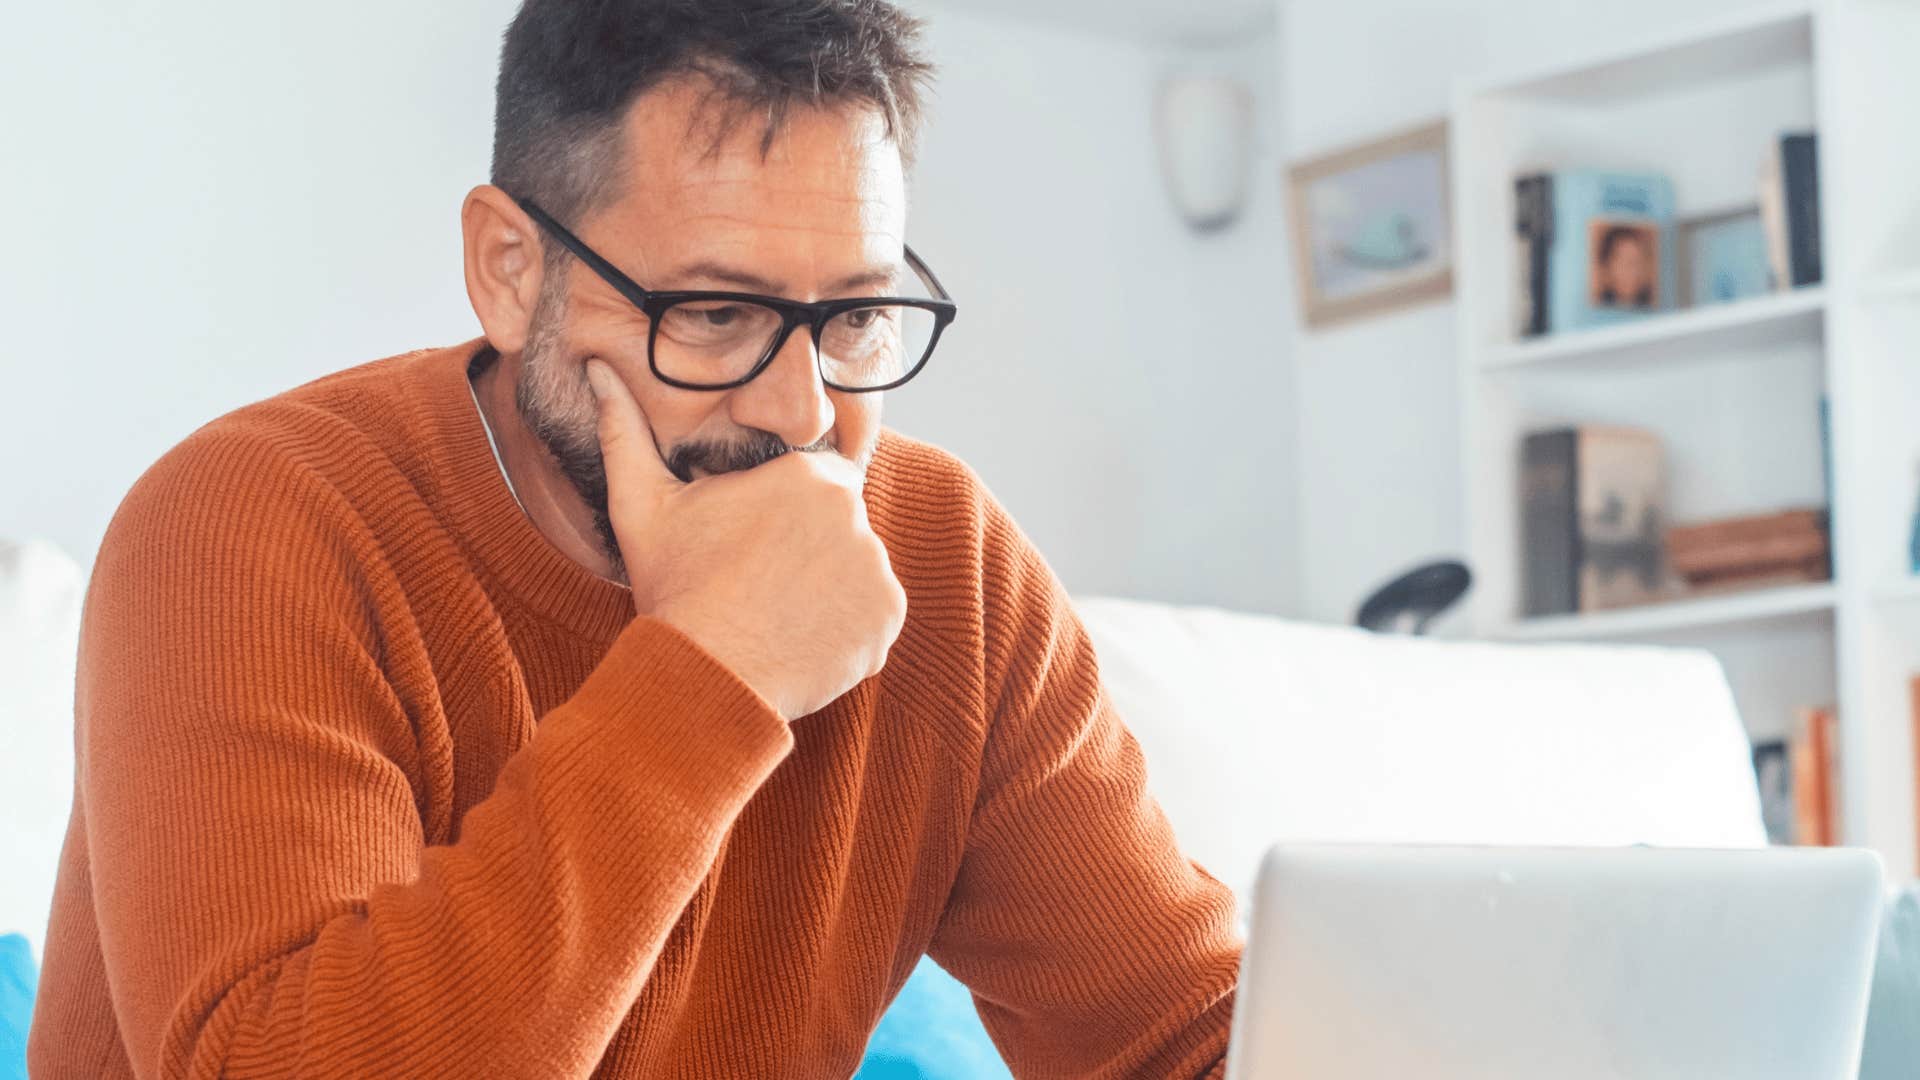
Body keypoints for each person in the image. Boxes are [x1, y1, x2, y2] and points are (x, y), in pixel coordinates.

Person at [27, 2, 1241, 1076]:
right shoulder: (248, 524)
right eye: (714, 314)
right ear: (509, 272)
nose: (803, 413)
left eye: (856, 317)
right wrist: (717, 670)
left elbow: (1180, 1037)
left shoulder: (944, 559)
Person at [1593, 224, 1656, 309]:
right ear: (1607, 266)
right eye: (1624, 262)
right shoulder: (1596, 304)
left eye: (1637, 262)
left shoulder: (1651, 305)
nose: (1633, 271)